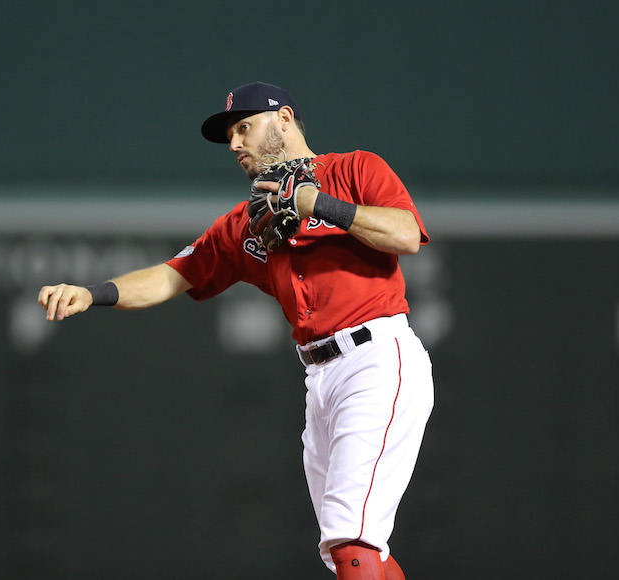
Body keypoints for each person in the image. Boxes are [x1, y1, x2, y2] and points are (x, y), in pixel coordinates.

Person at [38, 81, 434, 579]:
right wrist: (93, 293)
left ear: (284, 119)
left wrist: (320, 205)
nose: (235, 145)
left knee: (351, 538)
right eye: (230, 136)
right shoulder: (246, 223)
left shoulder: (354, 169)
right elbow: (172, 274)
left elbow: (405, 234)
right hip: (321, 379)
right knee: (349, 550)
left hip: (376, 357)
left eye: (244, 127)